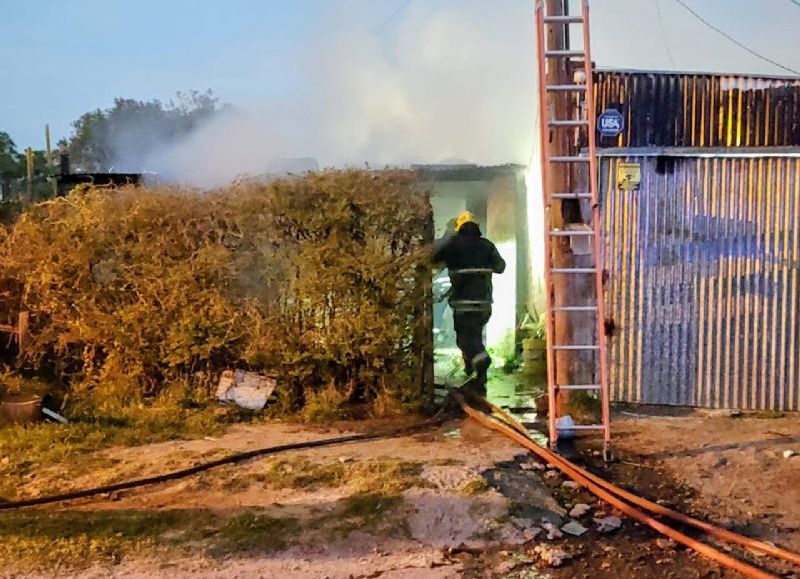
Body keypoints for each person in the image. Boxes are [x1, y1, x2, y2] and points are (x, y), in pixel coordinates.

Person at [433, 211, 506, 396]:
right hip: (483, 303)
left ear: (459, 228)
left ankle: (481, 364)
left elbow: (432, 259)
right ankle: (475, 377)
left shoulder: (453, 245)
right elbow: (500, 267)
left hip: (463, 303)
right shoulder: (486, 245)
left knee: (465, 339)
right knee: (475, 336)